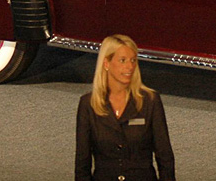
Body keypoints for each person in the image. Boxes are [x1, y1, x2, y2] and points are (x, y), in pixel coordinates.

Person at [75, 35, 175, 181]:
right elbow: (82, 162)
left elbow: (164, 156)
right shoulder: (87, 104)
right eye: (122, 60)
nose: (130, 67)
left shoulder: (150, 101)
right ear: (106, 63)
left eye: (133, 60)